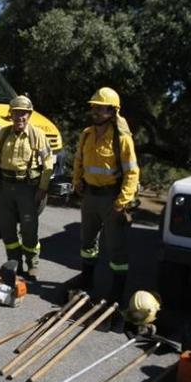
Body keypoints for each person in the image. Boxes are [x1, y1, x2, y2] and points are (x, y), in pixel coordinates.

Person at [68, 87, 139, 312]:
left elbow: (132, 172)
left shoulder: (122, 139)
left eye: (101, 108)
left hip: (112, 198)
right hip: (90, 196)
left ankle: (117, 290)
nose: (96, 111)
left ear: (112, 111)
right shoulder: (87, 134)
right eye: (94, 107)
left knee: (116, 248)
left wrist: (122, 201)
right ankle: (87, 280)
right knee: (87, 242)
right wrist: (77, 181)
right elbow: (79, 159)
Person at [0, 95, 54, 279]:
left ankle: (32, 264)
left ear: (29, 115)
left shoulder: (37, 136)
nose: (20, 117)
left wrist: (43, 188)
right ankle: (14, 263)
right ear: (11, 115)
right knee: (6, 228)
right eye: (16, 113)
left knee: (29, 229)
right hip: (5, 188)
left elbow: (48, 163)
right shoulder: (3, 134)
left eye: (24, 113)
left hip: (28, 190)